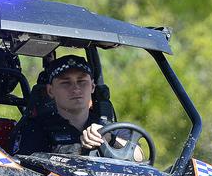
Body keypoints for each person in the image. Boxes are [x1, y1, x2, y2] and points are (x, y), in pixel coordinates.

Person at [10, 55, 142, 160]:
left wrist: (109, 139)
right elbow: (26, 170)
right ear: (51, 91)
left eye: (81, 81)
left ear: (92, 87)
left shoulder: (111, 128)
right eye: (66, 83)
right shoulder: (36, 129)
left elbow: (139, 157)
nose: (76, 89)